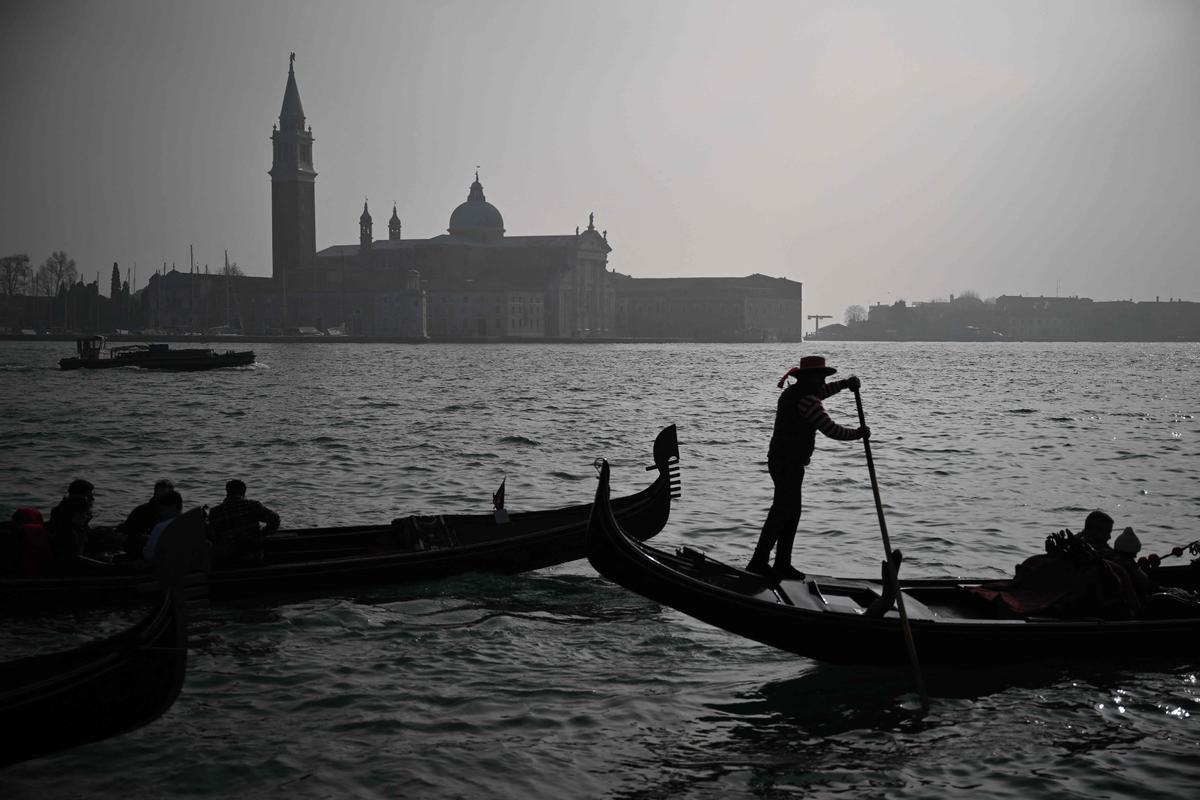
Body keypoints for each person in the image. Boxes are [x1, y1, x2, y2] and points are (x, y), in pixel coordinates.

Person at [747, 356, 869, 580]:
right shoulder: (808, 401)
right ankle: (759, 562)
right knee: (783, 511)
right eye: (821, 377)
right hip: (787, 462)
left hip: (782, 459)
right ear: (812, 378)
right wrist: (857, 434)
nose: (823, 381)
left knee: (789, 512)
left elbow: (822, 393)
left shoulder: (797, 393)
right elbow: (830, 429)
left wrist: (844, 385)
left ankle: (781, 563)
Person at [207, 479, 280, 565]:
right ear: (244, 492)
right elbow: (275, 519)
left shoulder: (215, 512)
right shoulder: (253, 505)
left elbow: (212, 536)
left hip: (227, 559)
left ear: (227, 491)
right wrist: (262, 534)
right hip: (252, 556)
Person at [117, 478, 176, 559]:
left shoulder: (172, 513)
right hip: (140, 549)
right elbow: (128, 534)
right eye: (158, 494)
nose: (161, 498)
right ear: (154, 493)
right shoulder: (141, 511)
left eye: (165, 496)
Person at [46, 479, 95, 563]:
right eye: (89, 496)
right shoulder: (66, 529)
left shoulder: (63, 514)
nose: (93, 499)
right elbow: (75, 556)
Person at [142, 489, 184, 561]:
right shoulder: (190, 524)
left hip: (165, 567)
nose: (160, 512)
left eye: (162, 508)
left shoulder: (161, 527)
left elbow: (149, 556)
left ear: (172, 507)